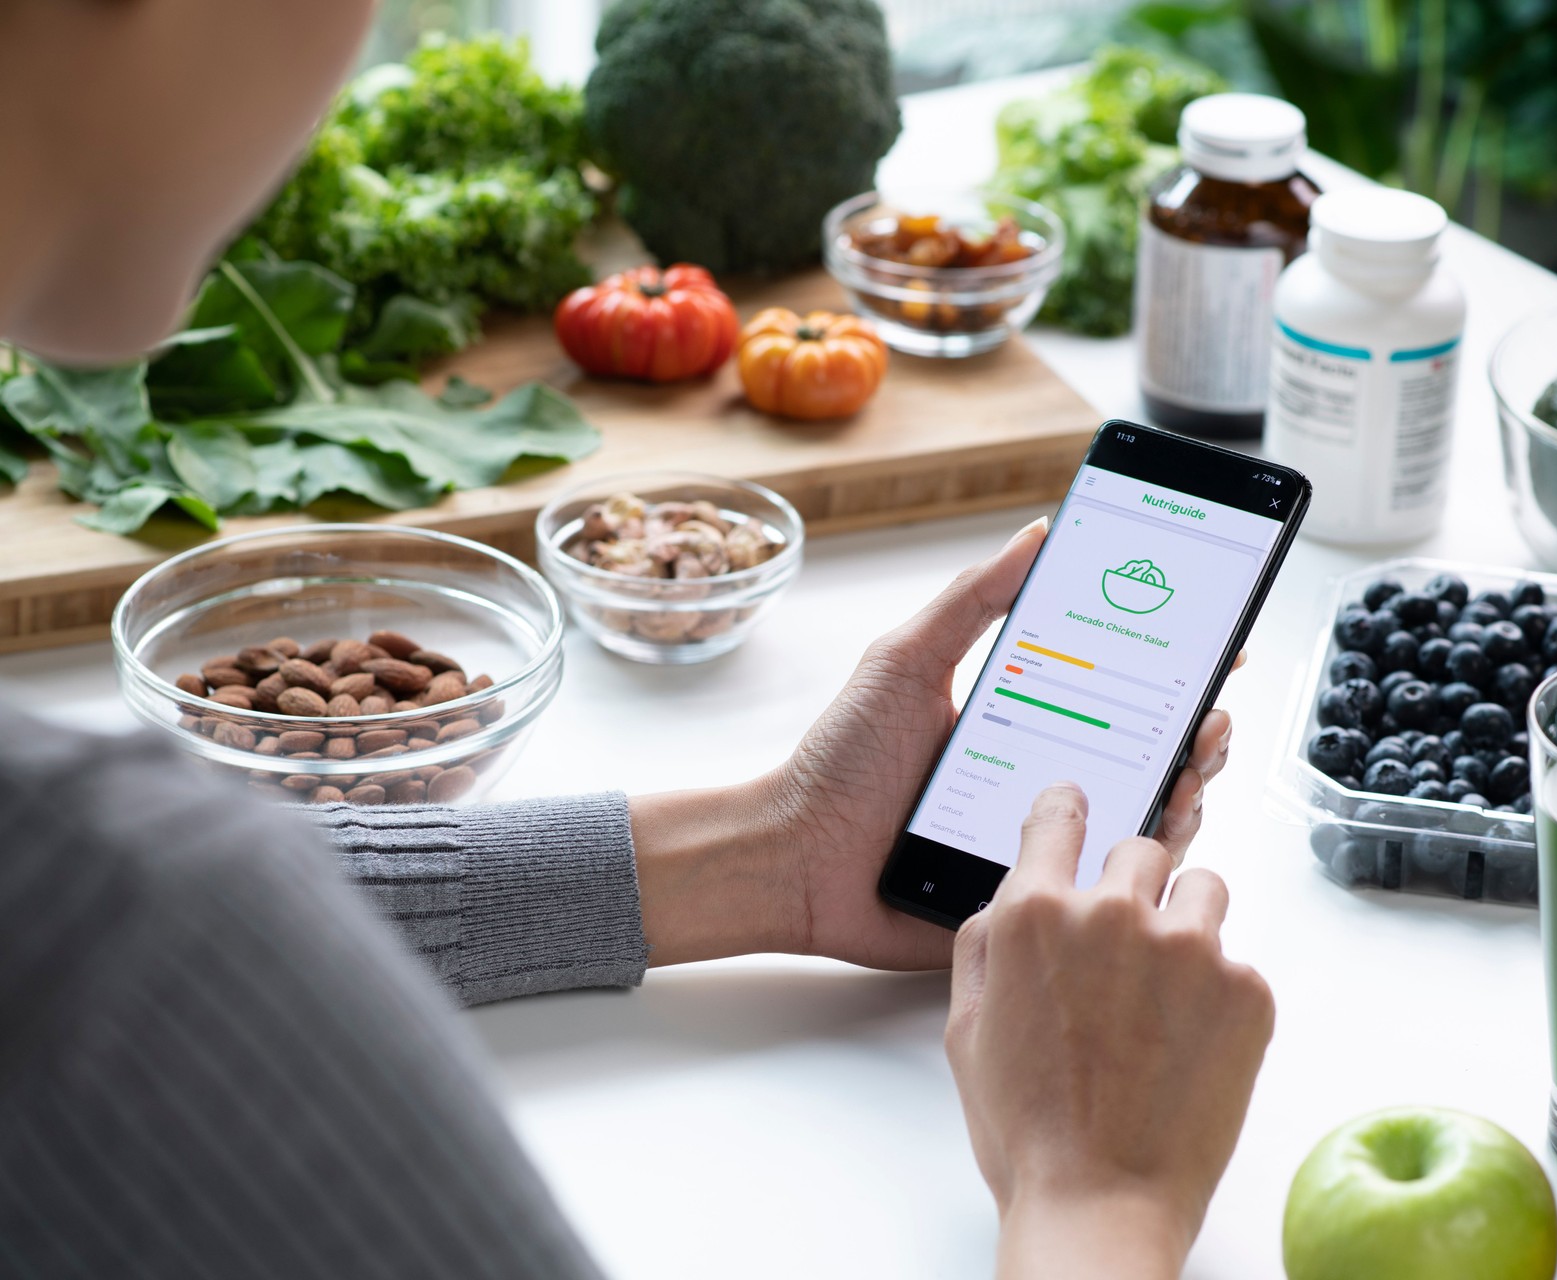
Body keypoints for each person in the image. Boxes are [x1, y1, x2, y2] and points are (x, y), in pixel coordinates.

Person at [0, 3, 1276, 1277]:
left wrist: (775, 855)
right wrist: (1100, 1191)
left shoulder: (112, 903)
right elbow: (152, 935)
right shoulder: (117, 925)